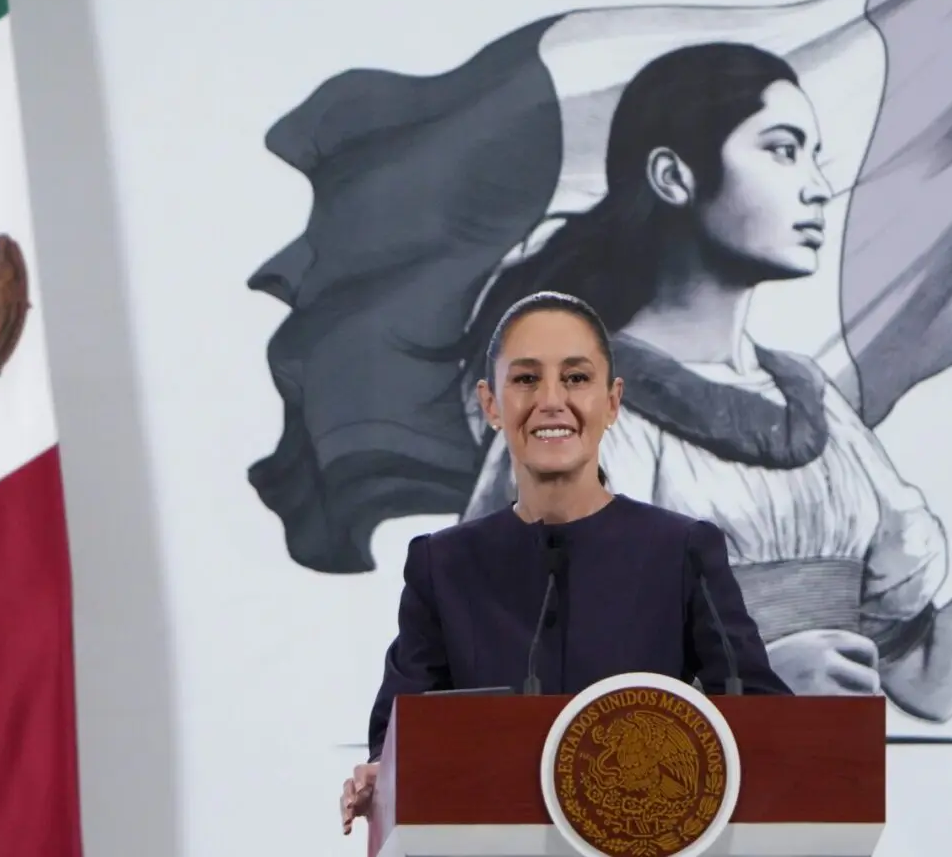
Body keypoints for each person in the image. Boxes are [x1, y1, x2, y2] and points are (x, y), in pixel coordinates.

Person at [454, 43, 952, 712]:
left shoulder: (815, 408)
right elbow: (516, 691)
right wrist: (741, 688)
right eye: (781, 149)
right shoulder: (577, 411)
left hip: (821, 806)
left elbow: (926, 678)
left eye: (814, 154)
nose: (817, 186)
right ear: (672, 176)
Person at [339, 290, 790, 836]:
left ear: (613, 401)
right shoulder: (443, 564)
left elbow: (766, 724)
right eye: (526, 379)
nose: (551, 400)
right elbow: (399, 737)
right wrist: (377, 777)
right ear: (490, 404)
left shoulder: (682, 551)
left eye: (576, 378)